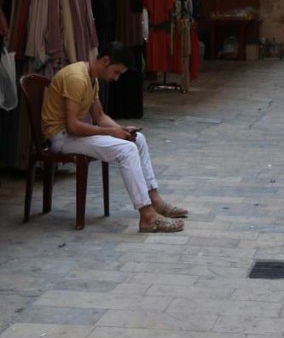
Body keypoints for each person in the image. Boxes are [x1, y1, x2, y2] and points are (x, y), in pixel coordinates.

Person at [41, 42, 188, 232]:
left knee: (137, 139)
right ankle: (147, 216)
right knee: (127, 150)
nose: (116, 78)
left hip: (70, 135)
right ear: (105, 61)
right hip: (60, 138)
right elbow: (73, 126)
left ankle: (155, 200)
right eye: (116, 72)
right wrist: (112, 132)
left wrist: (121, 130)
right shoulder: (76, 78)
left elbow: (100, 117)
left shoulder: (91, 78)